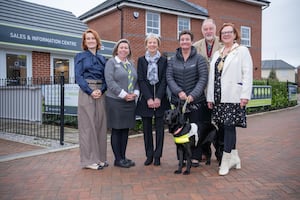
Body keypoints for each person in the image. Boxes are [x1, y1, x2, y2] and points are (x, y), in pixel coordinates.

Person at [206, 23, 253, 176]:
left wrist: (245, 95)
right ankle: (235, 157)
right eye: (223, 32)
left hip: (233, 95)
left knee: (229, 126)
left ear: (235, 34)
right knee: (224, 127)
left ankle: (226, 161)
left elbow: (247, 73)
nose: (226, 34)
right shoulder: (217, 53)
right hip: (219, 97)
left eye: (229, 32)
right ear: (220, 35)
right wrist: (210, 97)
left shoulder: (242, 51)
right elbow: (212, 77)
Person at [166, 30, 208, 167]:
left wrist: (192, 95)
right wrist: (179, 92)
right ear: (179, 42)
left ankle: (195, 157)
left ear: (191, 41)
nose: (185, 42)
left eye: (187, 39)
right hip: (178, 102)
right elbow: (169, 77)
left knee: (194, 130)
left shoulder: (199, 59)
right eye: (182, 39)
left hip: (195, 101)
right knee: (180, 130)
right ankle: (182, 158)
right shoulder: (172, 60)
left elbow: (203, 78)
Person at [75, 29, 108, 170]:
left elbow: (107, 78)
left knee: (100, 126)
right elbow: (78, 77)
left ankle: (99, 158)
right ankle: (88, 161)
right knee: (87, 127)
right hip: (86, 92)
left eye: (92, 38)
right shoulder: (80, 56)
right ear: (84, 42)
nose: (90, 40)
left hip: (101, 93)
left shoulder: (102, 59)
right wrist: (90, 91)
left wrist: (101, 90)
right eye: (87, 38)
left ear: (97, 40)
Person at [136, 34, 170, 166]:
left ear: (158, 45)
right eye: (150, 42)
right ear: (146, 44)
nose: (152, 45)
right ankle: (149, 155)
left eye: (154, 42)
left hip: (161, 100)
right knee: (147, 129)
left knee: (160, 130)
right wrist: (149, 98)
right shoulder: (141, 60)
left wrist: (158, 97)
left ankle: (157, 156)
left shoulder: (163, 60)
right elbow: (141, 80)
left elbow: (164, 80)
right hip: (146, 99)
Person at [104, 39, 139, 168]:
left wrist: (135, 93)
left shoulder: (131, 64)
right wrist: (124, 94)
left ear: (129, 50)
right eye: (121, 47)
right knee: (117, 130)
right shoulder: (111, 62)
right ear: (116, 50)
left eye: (126, 48)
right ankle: (117, 159)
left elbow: (136, 81)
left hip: (129, 102)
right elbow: (110, 81)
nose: (124, 50)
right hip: (115, 101)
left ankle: (123, 157)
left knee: (125, 130)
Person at [193, 18, 224, 164]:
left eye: (210, 29)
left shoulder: (224, 44)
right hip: (203, 93)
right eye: (205, 29)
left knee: (222, 124)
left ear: (215, 29)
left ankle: (223, 152)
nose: (208, 32)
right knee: (204, 124)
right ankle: (206, 152)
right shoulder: (195, 46)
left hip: (220, 92)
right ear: (202, 31)